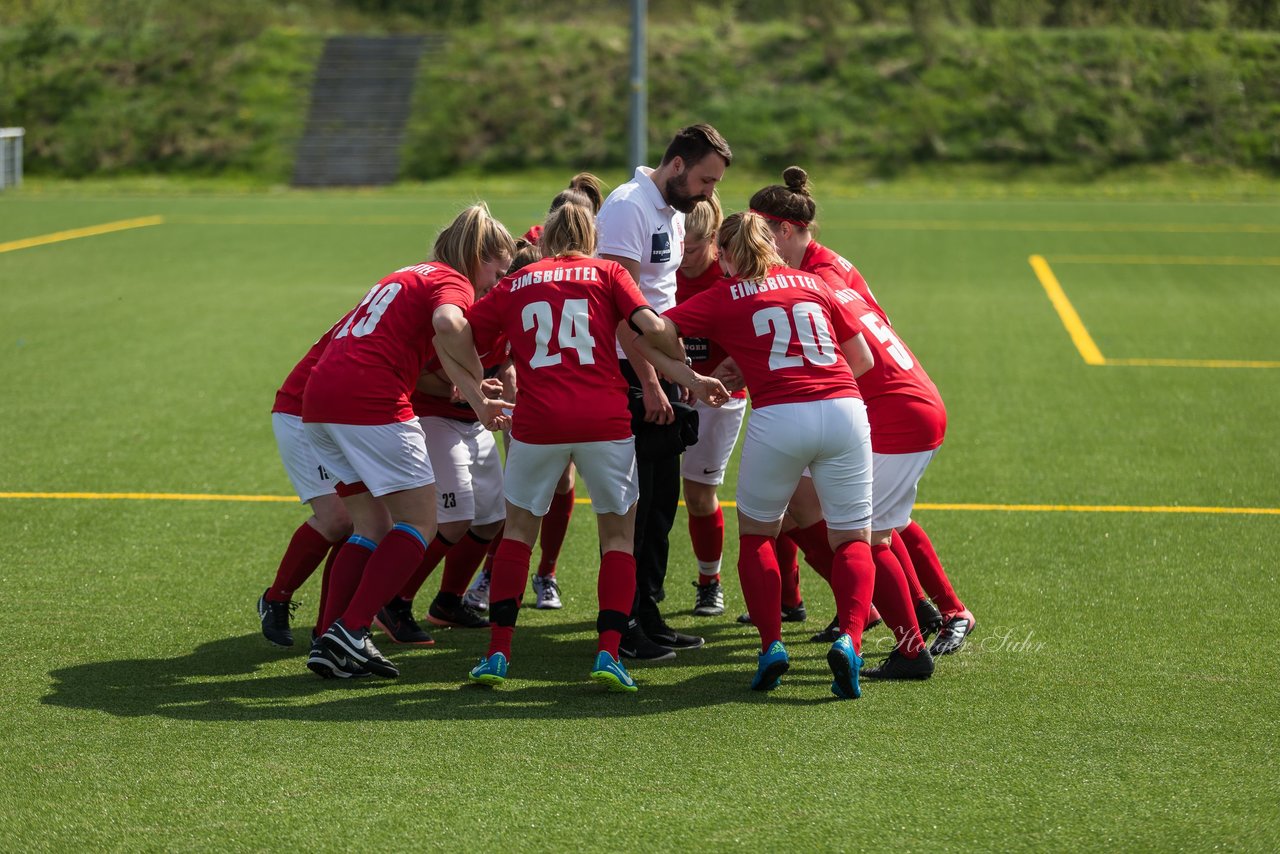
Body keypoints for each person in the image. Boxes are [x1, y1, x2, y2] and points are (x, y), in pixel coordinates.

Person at [463, 200, 730, 692]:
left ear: (544, 242)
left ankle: (498, 651)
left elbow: (463, 332)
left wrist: (470, 384)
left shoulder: (515, 282)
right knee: (618, 538)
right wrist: (689, 374)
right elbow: (646, 330)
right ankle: (610, 652)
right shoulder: (607, 272)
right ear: (590, 236)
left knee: (519, 533)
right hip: (604, 420)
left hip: (539, 421)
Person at [648, 211, 878, 698]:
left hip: (781, 416)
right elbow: (861, 359)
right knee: (854, 538)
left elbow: (655, 330)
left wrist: (686, 372)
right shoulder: (812, 282)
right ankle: (851, 642)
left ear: (726, 256)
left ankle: (772, 645)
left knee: (757, 534)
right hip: (844, 409)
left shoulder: (722, 293)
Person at [749, 166, 976, 660]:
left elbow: (828, 349)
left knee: (864, 528)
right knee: (839, 514)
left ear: (784, 231)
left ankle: (925, 621)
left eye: (761, 234)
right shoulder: (824, 266)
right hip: (888, 402)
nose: (755, 247)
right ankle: (891, 609)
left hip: (890, 408)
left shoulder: (817, 277)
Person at [302, 203, 515, 679]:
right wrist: (480, 375)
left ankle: (329, 638)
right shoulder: (452, 281)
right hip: (370, 399)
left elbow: (437, 348)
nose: (496, 286)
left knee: (369, 525)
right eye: (496, 273)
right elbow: (448, 325)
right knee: (421, 521)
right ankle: (352, 631)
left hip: (320, 399)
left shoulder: (407, 273)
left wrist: (477, 396)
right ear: (476, 255)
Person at [596, 123, 732, 660]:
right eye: (705, 179)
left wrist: (680, 374)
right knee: (638, 502)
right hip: (633, 375)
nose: (709, 193)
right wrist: (654, 382)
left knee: (662, 507)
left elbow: (662, 304)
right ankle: (625, 623)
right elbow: (621, 309)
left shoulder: (671, 213)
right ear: (677, 165)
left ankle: (647, 612)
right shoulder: (630, 206)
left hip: (660, 372)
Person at [673, 191, 750, 619]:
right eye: (679, 244)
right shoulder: (663, 269)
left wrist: (737, 360)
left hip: (720, 398)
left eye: (695, 246)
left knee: (701, 494)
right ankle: (643, 588)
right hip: (672, 391)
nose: (684, 255)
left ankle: (709, 582)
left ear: (716, 241)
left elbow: (760, 321)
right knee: (649, 494)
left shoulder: (732, 275)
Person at [257, 325, 354, 647]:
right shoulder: (424, 304)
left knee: (363, 524)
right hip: (304, 413)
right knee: (338, 519)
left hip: (348, 419)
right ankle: (276, 598)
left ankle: (328, 627)